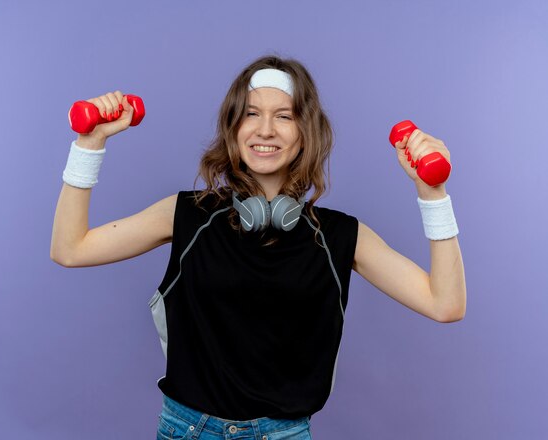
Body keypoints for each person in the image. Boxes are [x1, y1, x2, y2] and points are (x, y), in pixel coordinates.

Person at [51, 55, 466, 440]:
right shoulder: (188, 215)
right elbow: (70, 249)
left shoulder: (339, 236)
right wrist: (90, 143)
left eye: (283, 116)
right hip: (188, 430)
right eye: (251, 114)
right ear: (233, 128)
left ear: (306, 134)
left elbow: (444, 304)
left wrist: (433, 193)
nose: (264, 129)